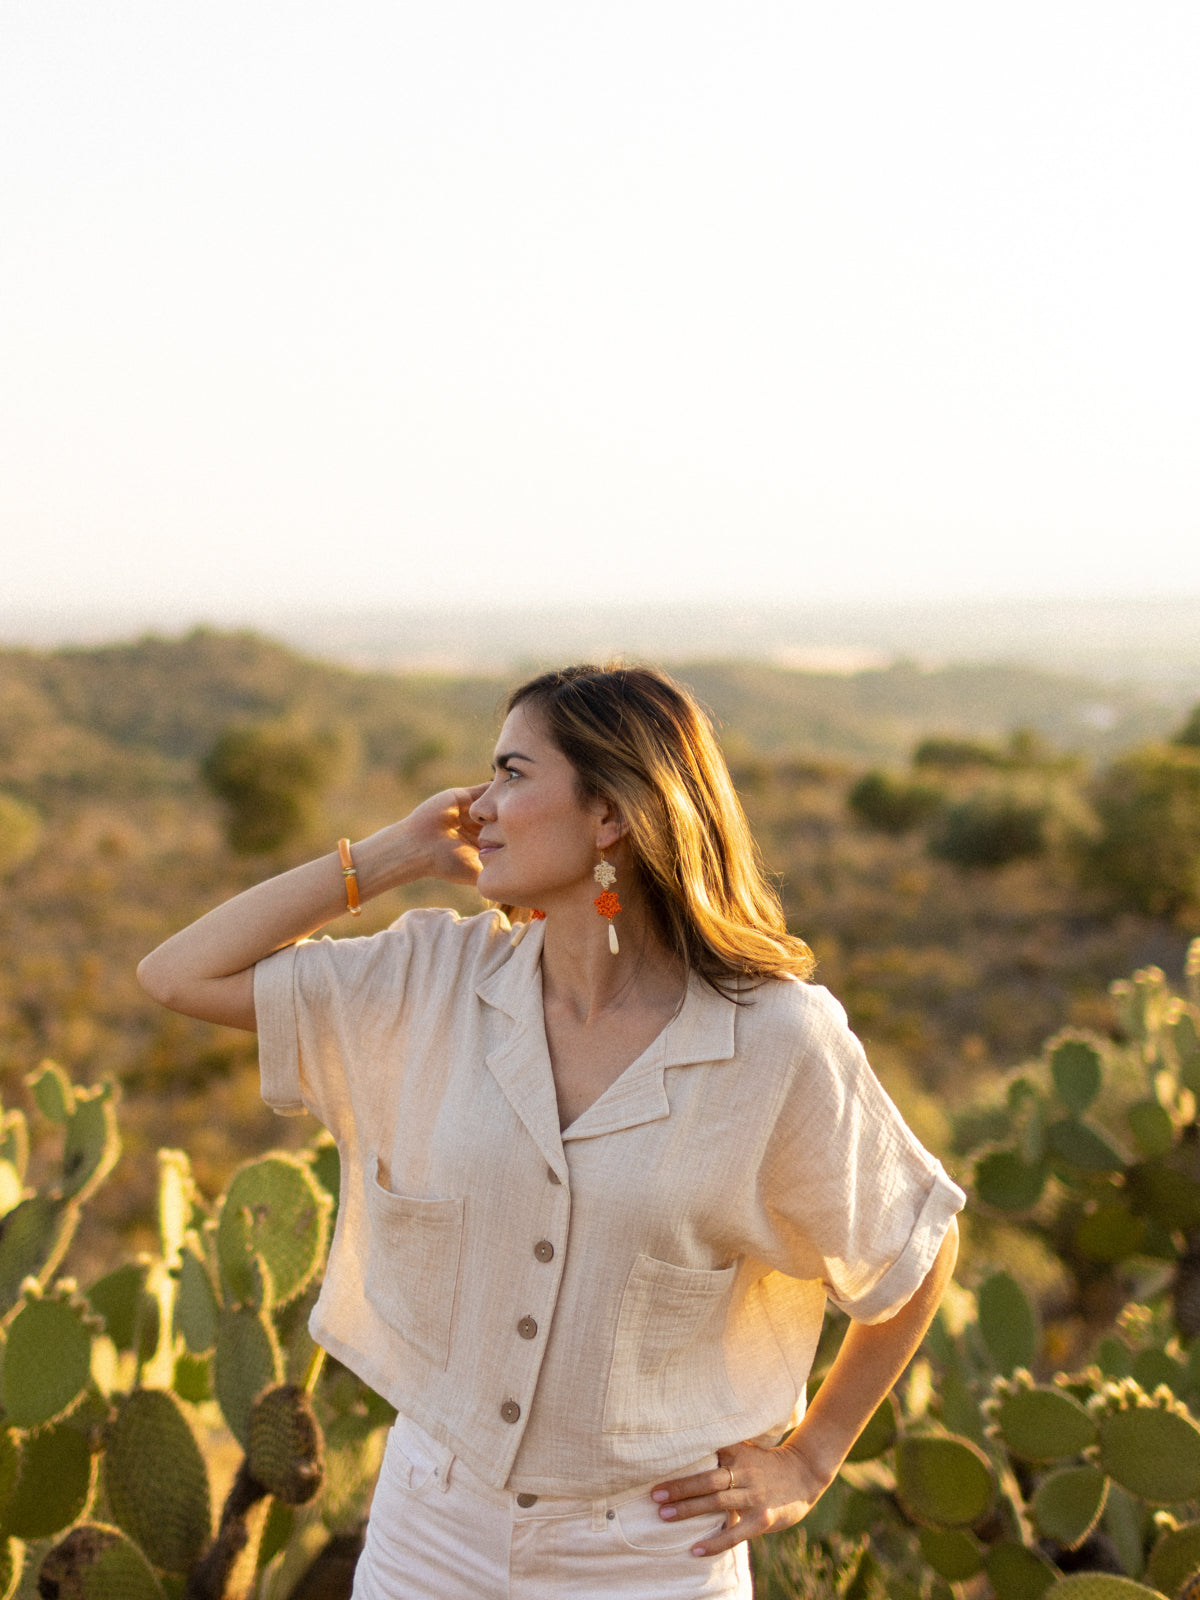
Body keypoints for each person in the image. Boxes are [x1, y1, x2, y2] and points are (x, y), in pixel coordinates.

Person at [138, 663, 963, 1600]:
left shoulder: (774, 1039)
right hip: (429, 1535)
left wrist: (812, 1459)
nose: (478, 806)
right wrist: (394, 854)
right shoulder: (432, 980)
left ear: (610, 815)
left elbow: (917, 1245)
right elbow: (177, 976)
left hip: (650, 1556)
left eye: (513, 775)